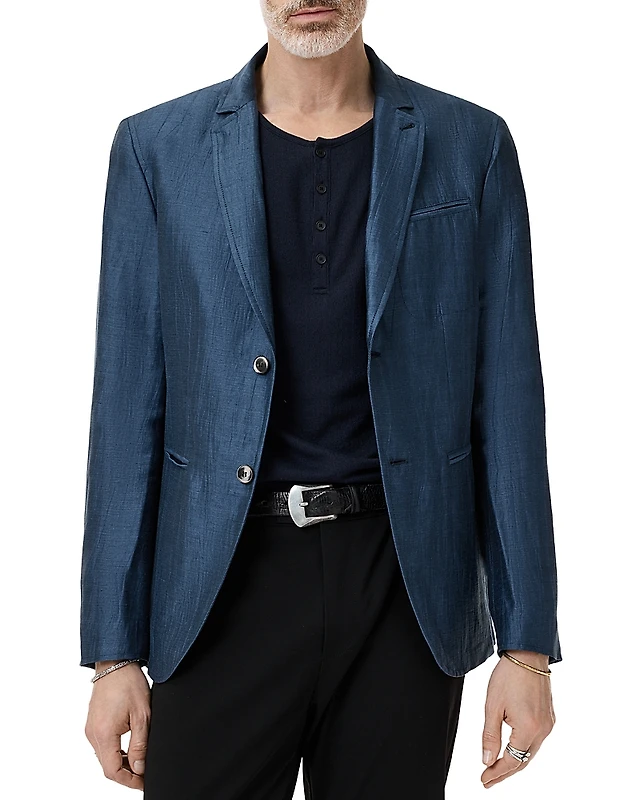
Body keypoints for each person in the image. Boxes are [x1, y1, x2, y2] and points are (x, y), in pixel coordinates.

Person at [81, 1, 562, 797]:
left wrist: (527, 647)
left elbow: (509, 400)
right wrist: (113, 653)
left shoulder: (470, 143)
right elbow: (126, 407)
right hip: (218, 588)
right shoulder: (156, 148)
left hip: (404, 586)